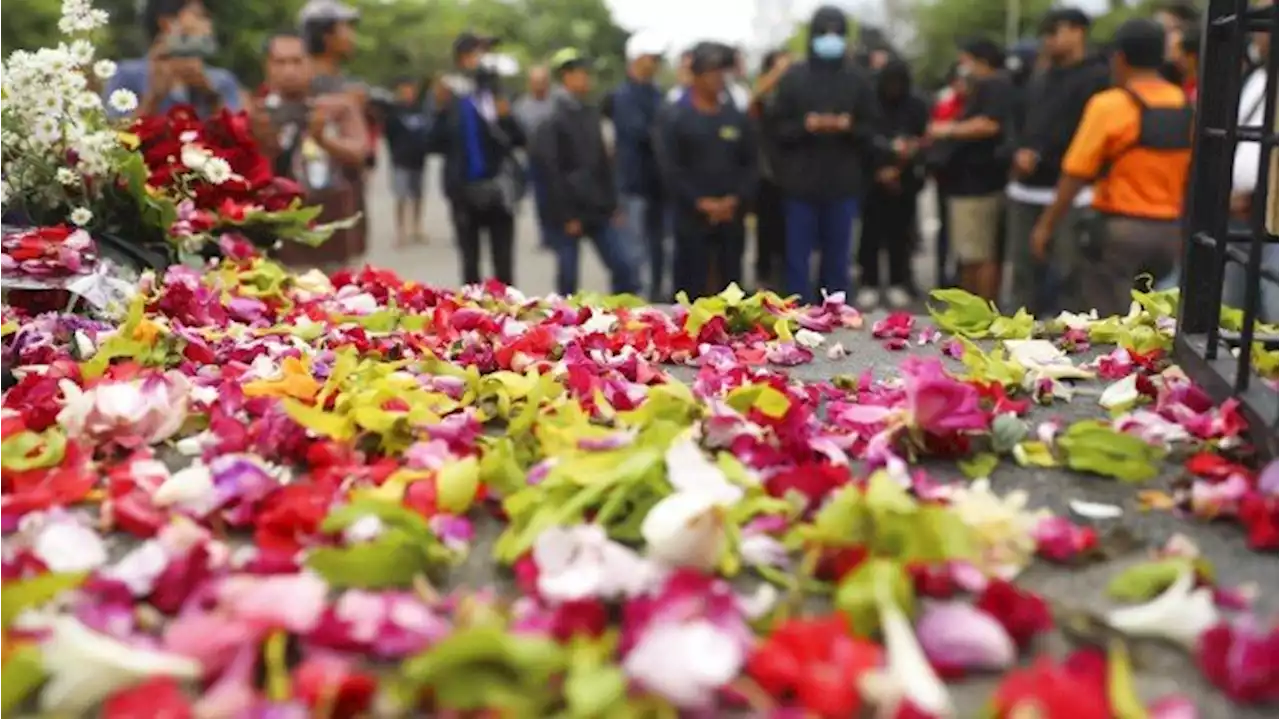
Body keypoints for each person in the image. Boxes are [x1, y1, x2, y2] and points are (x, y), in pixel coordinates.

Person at [1031, 19, 1193, 318]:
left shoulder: (1110, 105)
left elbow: (1076, 172)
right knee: (1151, 321)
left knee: (1106, 322)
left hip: (1120, 234)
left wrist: (1047, 225)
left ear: (1119, 58)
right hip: (1170, 235)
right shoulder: (1184, 102)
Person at [769, 6, 884, 302]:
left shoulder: (858, 80)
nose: (830, 40)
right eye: (824, 34)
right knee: (797, 259)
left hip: (843, 183)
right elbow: (775, 128)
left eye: (837, 34)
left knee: (838, 260)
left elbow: (872, 130)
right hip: (799, 184)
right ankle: (794, 315)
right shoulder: (793, 78)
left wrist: (849, 126)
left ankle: (835, 317)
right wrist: (806, 126)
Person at [1006, 8, 1110, 316]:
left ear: (1078, 31)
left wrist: (1043, 155)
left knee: (1070, 277)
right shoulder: (1040, 77)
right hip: (1026, 190)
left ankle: (1071, 346)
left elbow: (1085, 135)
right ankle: (1016, 339)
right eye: (1045, 33)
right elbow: (1020, 122)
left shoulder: (1098, 76)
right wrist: (1019, 151)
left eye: (1055, 31)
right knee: (1023, 276)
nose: (1048, 40)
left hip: (1072, 191)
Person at [250, 32, 368, 273]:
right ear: (267, 67)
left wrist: (323, 139)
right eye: (280, 62)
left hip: (333, 237)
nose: (289, 70)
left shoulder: (338, 107)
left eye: (296, 61)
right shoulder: (255, 112)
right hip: (276, 246)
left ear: (311, 65)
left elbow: (360, 152)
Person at [533, 49, 641, 297]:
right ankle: (564, 328)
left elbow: (602, 161)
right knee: (568, 278)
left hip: (597, 207)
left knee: (623, 267)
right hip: (568, 212)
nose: (587, 79)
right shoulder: (552, 117)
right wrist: (566, 215)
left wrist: (612, 204)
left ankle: (622, 319)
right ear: (566, 77)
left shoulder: (590, 112)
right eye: (582, 74)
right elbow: (550, 171)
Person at [659, 42, 758, 298]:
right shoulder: (674, 117)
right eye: (710, 72)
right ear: (696, 76)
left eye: (721, 72)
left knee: (731, 288)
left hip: (731, 216)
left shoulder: (736, 117)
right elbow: (669, 168)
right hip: (691, 218)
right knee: (690, 287)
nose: (717, 79)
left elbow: (751, 164)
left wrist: (733, 201)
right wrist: (700, 202)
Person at [428, 32, 526, 286]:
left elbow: (519, 140)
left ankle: (509, 319)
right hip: (463, 190)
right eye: (478, 52)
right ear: (463, 58)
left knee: (504, 266)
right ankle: (471, 321)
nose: (484, 59)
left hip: (499, 189)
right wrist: (439, 109)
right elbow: (432, 144)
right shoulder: (449, 96)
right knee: (470, 266)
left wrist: (505, 117)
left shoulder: (498, 93)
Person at [928, 37, 1013, 302]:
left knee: (977, 256)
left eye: (965, 60)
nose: (962, 66)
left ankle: (978, 311)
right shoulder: (989, 86)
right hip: (973, 183)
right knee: (972, 254)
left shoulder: (994, 85)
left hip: (977, 186)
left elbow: (989, 124)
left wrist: (947, 129)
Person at [300, 0, 369, 266]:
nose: (351, 36)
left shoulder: (345, 84)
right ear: (325, 35)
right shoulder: (304, 85)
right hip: (314, 210)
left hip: (345, 204)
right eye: (345, 28)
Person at [856, 58, 928, 309]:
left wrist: (899, 168)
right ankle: (869, 282)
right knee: (871, 235)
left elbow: (923, 140)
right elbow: (862, 138)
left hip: (904, 180)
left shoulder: (916, 104)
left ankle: (899, 281)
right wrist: (880, 169)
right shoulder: (870, 102)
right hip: (873, 179)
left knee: (900, 234)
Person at [1226, 14, 1280, 322]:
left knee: (1274, 308)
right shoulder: (1257, 76)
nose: (1258, 38)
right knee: (1233, 312)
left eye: (1264, 29)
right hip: (1236, 215)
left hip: (1268, 212)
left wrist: (1257, 190)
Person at [105, 0, 242, 120]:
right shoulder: (126, 75)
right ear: (167, 22)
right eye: (200, 16)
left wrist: (211, 97)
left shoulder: (222, 81)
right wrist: (153, 98)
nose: (208, 25)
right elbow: (114, 138)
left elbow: (236, 137)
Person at [612, 30, 668, 300]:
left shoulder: (656, 93)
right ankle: (635, 305)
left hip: (658, 185)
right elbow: (642, 132)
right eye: (650, 58)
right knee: (635, 251)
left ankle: (655, 299)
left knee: (658, 248)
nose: (655, 63)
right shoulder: (624, 96)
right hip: (634, 184)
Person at [749, 49, 793, 291]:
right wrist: (777, 73)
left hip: (795, 174)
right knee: (765, 230)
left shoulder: (794, 95)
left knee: (790, 235)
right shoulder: (764, 97)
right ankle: (763, 278)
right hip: (766, 174)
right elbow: (752, 101)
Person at [383, 77, 432, 247]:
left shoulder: (420, 110)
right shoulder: (394, 111)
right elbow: (388, 134)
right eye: (405, 90)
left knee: (418, 195)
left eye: (411, 90)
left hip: (418, 158)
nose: (408, 94)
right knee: (401, 195)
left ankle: (417, 227)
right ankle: (400, 230)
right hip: (400, 159)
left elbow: (427, 131)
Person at [513, 65, 557, 249]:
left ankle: (559, 233)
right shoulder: (522, 106)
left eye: (542, 82)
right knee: (541, 198)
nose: (539, 86)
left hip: (558, 158)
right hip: (534, 159)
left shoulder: (558, 103)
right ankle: (546, 235)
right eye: (535, 82)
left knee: (558, 196)